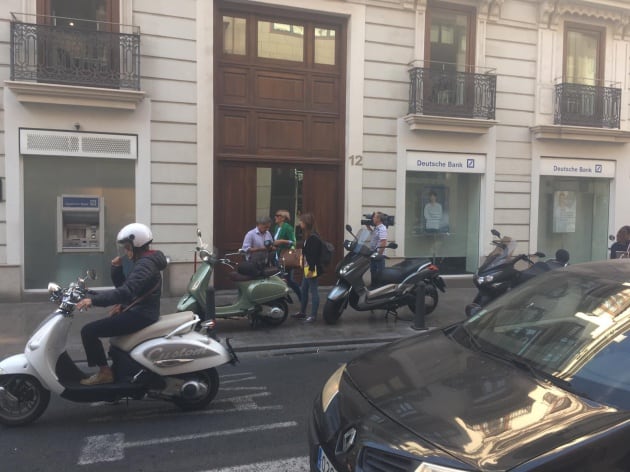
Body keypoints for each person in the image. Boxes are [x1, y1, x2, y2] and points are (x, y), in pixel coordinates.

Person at [75, 223, 168, 385]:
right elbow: (126, 288)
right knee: (112, 338)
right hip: (139, 310)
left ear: (136, 245)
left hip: (141, 315)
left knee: (89, 332)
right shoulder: (145, 261)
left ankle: (105, 373)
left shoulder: (145, 265)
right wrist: (116, 269)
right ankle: (119, 371)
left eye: (127, 247)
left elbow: (126, 292)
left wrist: (94, 300)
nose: (126, 251)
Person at [291, 212, 322, 323]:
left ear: (306, 223)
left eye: (301, 221)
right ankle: (302, 312)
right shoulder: (308, 236)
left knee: (314, 291)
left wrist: (311, 269)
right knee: (304, 290)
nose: (299, 223)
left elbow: (313, 255)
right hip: (307, 267)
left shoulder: (313, 237)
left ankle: (313, 316)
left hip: (310, 268)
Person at [271, 209, 302, 301]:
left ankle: (302, 297)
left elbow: (293, 242)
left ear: (283, 218)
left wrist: (282, 241)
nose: (275, 217)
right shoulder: (277, 227)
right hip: (278, 257)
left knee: (289, 280)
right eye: (275, 215)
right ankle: (280, 299)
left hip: (286, 258)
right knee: (280, 279)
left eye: (277, 215)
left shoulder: (288, 228)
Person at [365, 211, 388, 286]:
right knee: (373, 271)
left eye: (374, 217)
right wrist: (368, 227)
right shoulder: (377, 228)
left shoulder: (382, 228)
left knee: (379, 272)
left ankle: (379, 288)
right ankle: (373, 286)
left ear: (378, 219)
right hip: (373, 252)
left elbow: (383, 242)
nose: (373, 218)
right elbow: (374, 235)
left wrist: (379, 254)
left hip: (378, 254)